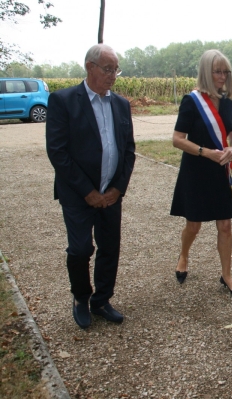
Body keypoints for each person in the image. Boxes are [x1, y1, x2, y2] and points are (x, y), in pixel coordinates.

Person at [46, 44, 136, 329]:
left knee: (110, 247)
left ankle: (102, 300)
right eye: (107, 69)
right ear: (89, 67)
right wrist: (89, 192)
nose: (113, 76)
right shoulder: (63, 101)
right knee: (81, 248)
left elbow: (129, 151)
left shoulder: (120, 104)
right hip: (78, 194)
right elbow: (58, 152)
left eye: (116, 70)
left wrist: (117, 189)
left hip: (111, 194)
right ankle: (81, 298)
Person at [170, 49, 232, 298]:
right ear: (205, 71)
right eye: (217, 71)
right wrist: (205, 152)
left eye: (226, 71)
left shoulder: (227, 102)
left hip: (221, 170)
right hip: (197, 170)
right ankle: (184, 255)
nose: (222, 76)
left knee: (225, 226)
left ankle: (227, 275)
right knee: (194, 225)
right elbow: (177, 139)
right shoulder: (191, 101)